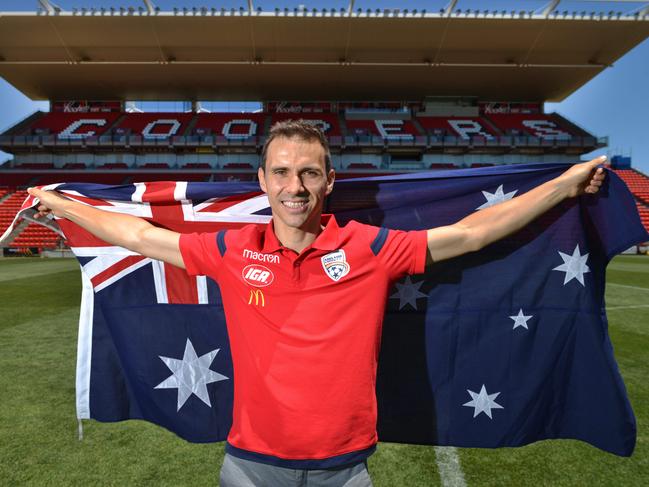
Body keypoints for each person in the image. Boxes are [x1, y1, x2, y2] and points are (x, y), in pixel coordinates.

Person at [29, 120, 606, 487]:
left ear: (329, 180)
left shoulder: (370, 248)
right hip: (249, 467)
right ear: (262, 181)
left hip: (345, 467)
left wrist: (564, 184)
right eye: (281, 172)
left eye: (308, 172)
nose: (294, 186)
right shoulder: (232, 249)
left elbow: (473, 234)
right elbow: (141, 238)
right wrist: (62, 205)